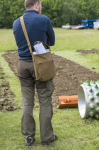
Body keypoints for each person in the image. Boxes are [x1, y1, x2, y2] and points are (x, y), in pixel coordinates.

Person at [13, 0, 57, 146]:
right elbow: (52, 41)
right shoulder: (44, 19)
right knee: (44, 102)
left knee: (27, 103)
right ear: (37, 4)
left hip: (23, 65)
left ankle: (29, 137)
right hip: (41, 65)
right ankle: (47, 137)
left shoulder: (16, 22)